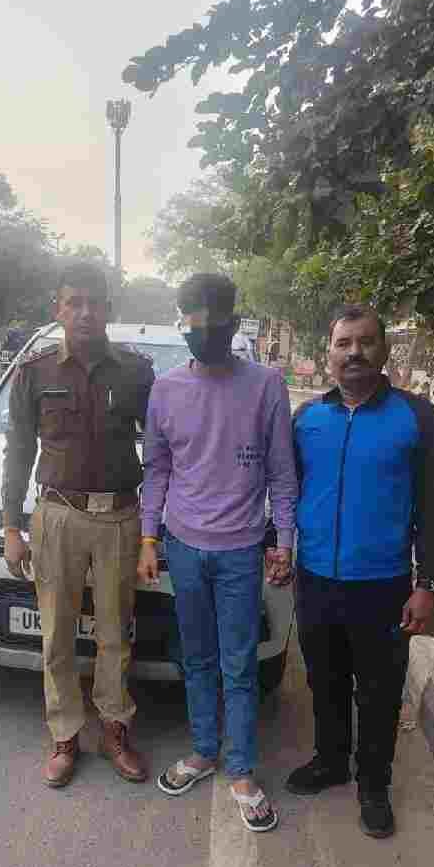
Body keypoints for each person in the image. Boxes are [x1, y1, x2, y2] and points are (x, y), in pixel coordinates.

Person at [285, 303, 434, 837]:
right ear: (328, 354)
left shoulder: (417, 417)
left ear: (384, 350)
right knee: (324, 680)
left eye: (365, 342)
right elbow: (285, 494)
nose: (354, 352)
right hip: (315, 578)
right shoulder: (307, 419)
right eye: (344, 343)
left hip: (383, 584)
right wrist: (277, 548)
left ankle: (373, 785)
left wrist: (427, 584)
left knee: (379, 692)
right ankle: (331, 760)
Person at [139, 273, 298, 832]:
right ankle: (204, 751)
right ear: (182, 322)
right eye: (193, 319)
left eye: (213, 319)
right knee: (197, 657)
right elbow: (157, 470)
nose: (203, 329)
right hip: (182, 546)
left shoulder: (266, 385)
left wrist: (283, 541)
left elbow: (281, 472)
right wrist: (149, 538)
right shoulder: (165, 390)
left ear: (233, 321)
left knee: (239, 664)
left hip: (240, 550)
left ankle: (242, 770)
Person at [1, 261, 155, 788]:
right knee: (57, 635)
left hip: (119, 518)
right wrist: (11, 528)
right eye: (75, 303)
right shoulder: (35, 371)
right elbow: (18, 452)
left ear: (108, 309)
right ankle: (65, 735)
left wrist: (153, 530)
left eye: (95, 303)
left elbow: (161, 449)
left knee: (115, 635)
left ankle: (115, 728)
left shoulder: (135, 372)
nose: (86, 313)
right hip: (57, 516)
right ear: (59, 309)